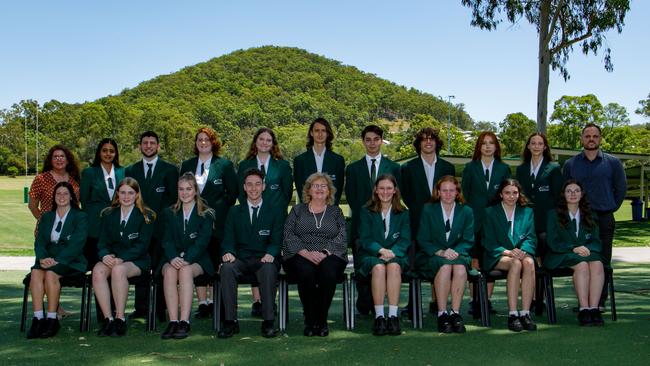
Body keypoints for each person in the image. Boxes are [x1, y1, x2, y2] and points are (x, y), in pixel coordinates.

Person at [562, 123, 626, 309]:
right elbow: (565, 190)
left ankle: (599, 301)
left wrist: (612, 206)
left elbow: (620, 188)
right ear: (582, 139)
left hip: (604, 217)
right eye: (587, 136)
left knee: (602, 259)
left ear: (600, 138)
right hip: (579, 219)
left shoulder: (613, 163)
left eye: (595, 136)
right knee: (582, 257)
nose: (591, 139)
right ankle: (585, 300)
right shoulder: (571, 164)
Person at [179, 127, 238, 319]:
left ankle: (214, 301)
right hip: (193, 221)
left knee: (213, 258)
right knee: (196, 257)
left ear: (213, 142)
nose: (203, 142)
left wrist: (218, 210)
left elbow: (233, 192)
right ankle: (202, 302)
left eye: (206, 139)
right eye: (199, 140)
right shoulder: (187, 164)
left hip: (217, 223)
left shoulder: (224, 165)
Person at [218, 168, 283, 339]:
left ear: (264, 186)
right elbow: (228, 239)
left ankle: (268, 321)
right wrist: (228, 252)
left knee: (269, 269)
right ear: (244, 187)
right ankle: (230, 321)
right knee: (226, 268)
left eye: (257, 184)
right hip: (241, 259)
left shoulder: (274, 210)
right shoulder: (234, 212)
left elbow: (277, 240)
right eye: (249, 185)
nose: (253, 188)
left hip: (264, 258)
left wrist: (271, 253)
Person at [345, 124, 401, 315]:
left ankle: (385, 307)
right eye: (368, 139)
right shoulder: (352, 169)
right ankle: (365, 302)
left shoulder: (394, 167)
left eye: (376, 139)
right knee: (365, 267)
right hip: (362, 227)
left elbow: (396, 196)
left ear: (381, 141)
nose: (372, 143)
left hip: (386, 228)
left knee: (385, 265)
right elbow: (352, 197)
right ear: (363, 142)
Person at [283, 173, 348, 337]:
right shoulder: (297, 210)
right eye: (315, 185)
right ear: (308, 190)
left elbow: (342, 235)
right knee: (306, 272)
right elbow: (288, 234)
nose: (319, 189)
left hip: (330, 254)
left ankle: (322, 319)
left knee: (328, 271)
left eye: (323, 186)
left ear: (329, 191)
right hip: (300, 253)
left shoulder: (335, 211)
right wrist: (305, 253)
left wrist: (325, 252)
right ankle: (310, 320)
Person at [237, 127, 292, 315]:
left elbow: (286, 194)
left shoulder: (282, 166)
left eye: (269, 140)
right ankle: (257, 301)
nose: (265, 143)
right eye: (261, 139)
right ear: (255, 141)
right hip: (253, 217)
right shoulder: (245, 165)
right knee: (254, 254)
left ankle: (270, 299)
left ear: (273, 144)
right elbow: (240, 192)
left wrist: (274, 212)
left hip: (275, 219)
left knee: (270, 257)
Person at [401, 127, 455, 315]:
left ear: (436, 143)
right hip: (416, 220)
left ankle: (436, 301)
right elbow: (406, 194)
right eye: (424, 139)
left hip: (442, 220)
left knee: (439, 258)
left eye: (431, 139)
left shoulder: (447, 167)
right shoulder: (407, 168)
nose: (428, 142)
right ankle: (412, 303)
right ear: (419, 144)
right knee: (414, 262)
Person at [92, 177, 156, 337]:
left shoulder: (147, 215)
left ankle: (120, 319)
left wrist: (121, 258)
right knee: (98, 271)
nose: (126, 196)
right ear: (117, 194)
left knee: (118, 270)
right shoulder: (108, 214)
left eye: (130, 193)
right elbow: (102, 241)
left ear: (137, 195)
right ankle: (108, 319)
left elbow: (142, 246)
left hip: (137, 260)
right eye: (122, 192)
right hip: (112, 258)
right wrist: (104, 255)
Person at [125, 131, 178, 319]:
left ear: (158, 146)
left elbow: (173, 201)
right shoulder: (131, 170)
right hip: (137, 228)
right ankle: (141, 308)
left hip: (161, 229)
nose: (148, 146)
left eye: (152, 143)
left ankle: (160, 309)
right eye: (145, 143)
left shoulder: (170, 170)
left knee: (159, 268)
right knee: (140, 265)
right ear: (140, 146)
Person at [26, 182, 88, 339]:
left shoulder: (80, 217)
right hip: (46, 258)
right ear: (54, 197)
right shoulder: (46, 216)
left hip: (71, 260)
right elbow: (39, 241)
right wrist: (42, 257)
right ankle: (38, 318)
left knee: (51, 275)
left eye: (65, 194)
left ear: (71, 197)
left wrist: (58, 260)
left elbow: (77, 244)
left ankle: (52, 319)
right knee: (35, 273)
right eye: (58, 194)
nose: (61, 197)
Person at [28, 144, 81, 319]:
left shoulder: (74, 180)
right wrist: (45, 223)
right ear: (51, 160)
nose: (59, 159)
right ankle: (44, 312)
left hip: (68, 234)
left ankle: (55, 309)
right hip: (46, 233)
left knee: (55, 270)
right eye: (55, 156)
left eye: (62, 156)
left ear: (68, 160)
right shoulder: (41, 179)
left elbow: (77, 205)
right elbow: (32, 205)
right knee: (42, 268)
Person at [159, 173, 215, 339]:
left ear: (196, 191)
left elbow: (202, 242)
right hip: (172, 258)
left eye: (188, 189)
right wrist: (173, 257)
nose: (184, 193)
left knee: (184, 272)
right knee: (169, 271)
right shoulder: (169, 213)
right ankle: (173, 321)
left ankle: (184, 321)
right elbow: (166, 240)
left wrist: (186, 259)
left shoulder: (207, 214)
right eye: (181, 189)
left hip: (197, 259)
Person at [415, 176, 473, 334]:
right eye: (444, 190)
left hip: (458, 254)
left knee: (460, 269)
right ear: (438, 192)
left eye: (451, 190)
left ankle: (455, 313)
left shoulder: (466, 211)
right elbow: (423, 238)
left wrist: (456, 251)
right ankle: (442, 314)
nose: (448, 194)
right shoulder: (428, 209)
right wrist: (441, 252)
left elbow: (468, 239)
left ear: (457, 192)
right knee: (446, 267)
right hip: (433, 255)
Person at [461, 131, 510, 313]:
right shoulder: (470, 168)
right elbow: (465, 193)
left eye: (491, 143)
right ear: (479, 147)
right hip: (474, 221)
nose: (488, 146)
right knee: (474, 262)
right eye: (484, 143)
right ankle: (475, 301)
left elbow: (507, 194)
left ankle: (486, 301)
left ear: (496, 147)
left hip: (495, 222)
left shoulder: (503, 168)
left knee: (490, 261)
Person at [545, 180, 605, 326]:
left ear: (582, 194)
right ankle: (583, 309)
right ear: (563, 194)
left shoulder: (590, 214)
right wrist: (573, 248)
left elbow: (597, 240)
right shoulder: (553, 214)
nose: (573, 194)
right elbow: (553, 242)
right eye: (569, 191)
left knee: (597, 264)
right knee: (582, 265)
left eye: (576, 190)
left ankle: (594, 309)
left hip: (586, 252)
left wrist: (587, 248)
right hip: (561, 253)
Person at [482, 179, 537, 332]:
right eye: (507, 193)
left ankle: (525, 313)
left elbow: (531, 237)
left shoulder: (527, 212)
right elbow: (487, 240)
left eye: (515, 193)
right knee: (516, 263)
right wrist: (507, 252)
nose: (511, 196)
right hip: (497, 255)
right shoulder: (490, 212)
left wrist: (523, 251)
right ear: (501, 194)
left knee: (529, 263)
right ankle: (513, 314)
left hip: (520, 253)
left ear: (519, 194)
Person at [358, 174, 410, 336]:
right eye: (381, 188)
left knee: (394, 267)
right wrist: (381, 251)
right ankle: (379, 317)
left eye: (389, 188)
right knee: (379, 268)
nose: (385, 192)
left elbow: (405, 238)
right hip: (371, 255)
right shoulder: (365, 211)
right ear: (375, 190)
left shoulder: (403, 213)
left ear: (395, 191)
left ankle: (393, 317)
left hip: (397, 255)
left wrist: (392, 252)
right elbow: (365, 238)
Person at [515, 132, 563, 260]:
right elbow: (519, 196)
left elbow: (558, 197)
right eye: (533, 143)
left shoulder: (554, 168)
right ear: (528, 147)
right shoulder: (521, 169)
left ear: (545, 147)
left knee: (545, 259)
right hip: (526, 221)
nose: (536, 146)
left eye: (540, 143)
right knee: (528, 260)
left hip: (546, 222)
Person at [80, 138, 125, 268]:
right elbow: (84, 201)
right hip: (95, 225)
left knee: (114, 264)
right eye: (104, 150)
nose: (108, 154)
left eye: (111, 151)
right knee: (95, 263)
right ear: (99, 152)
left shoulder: (122, 171)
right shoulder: (89, 172)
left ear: (116, 153)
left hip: (117, 223)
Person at [293, 117, 345, 205]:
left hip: (330, 211)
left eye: (323, 131)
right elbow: (300, 189)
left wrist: (330, 210)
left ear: (328, 133)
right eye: (317, 130)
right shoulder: (300, 161)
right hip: (308, 211)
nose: (320, 134)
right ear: (311, 133)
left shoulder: (338, 160)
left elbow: (338, 190)